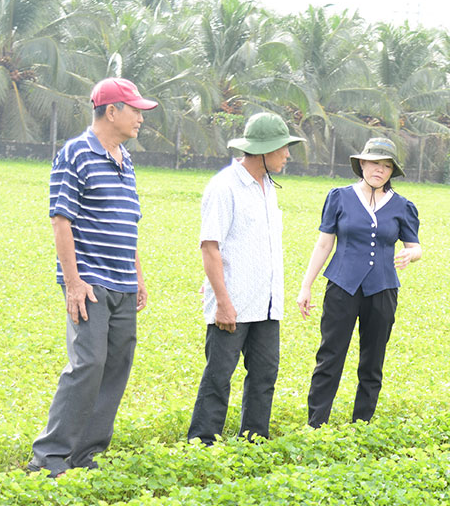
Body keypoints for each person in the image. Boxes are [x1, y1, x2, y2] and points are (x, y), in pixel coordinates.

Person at [27, 77, 157, 476]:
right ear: (112, 110)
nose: (140, 118)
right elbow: (60, 220)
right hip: (90, 281)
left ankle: (86, 453)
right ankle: (48, 458)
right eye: (135, 110)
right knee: (88, 363)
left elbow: (127, 219)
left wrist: (136, 273)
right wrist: (73, 282)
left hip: (120, 280)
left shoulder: (124, 158)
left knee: (116, 365)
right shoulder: (76, 153)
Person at [185, 112, 305, 444]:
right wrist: (223, 302)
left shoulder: (268, 187)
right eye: (282, 148)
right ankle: (202, 442)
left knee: (265, 375)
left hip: (267, 304)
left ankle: (254, 441)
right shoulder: (224, 187)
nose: (287, 155)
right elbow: (210, 247)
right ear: (263, 150)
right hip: (233, 303)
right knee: (219, 377)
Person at [297, 137, 421, 427]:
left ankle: (361, 424)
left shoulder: (403, 206)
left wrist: (410, 255)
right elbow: (324, 244)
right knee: (330, 356)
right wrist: (306, 286)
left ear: (392, 172)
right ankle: (316, 424)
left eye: (386, 166)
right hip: (342, 286)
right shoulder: (339, 197)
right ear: (362, 164)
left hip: (382, 290)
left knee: (372, 360)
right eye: (375, 163)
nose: (379, 169)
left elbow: (416, 246)